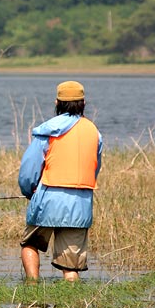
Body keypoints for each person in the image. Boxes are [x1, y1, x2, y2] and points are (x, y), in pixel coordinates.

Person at [18, 80, 102, 282]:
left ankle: (32, 287)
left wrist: (30, 191)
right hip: (80, 203)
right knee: (70, 265)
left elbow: (29, 170)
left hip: (47, 199)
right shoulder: (94, 132)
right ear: (83, 103)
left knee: (30, 244)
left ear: (57, 103)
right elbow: (95, 168)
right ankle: (72, 307)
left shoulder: (48, 129)